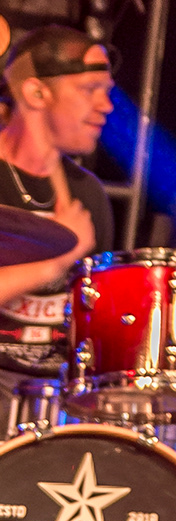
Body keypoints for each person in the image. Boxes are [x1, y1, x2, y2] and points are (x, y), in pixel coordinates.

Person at [0, 25, 115, 401]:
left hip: (58, 395)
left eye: (107, 92)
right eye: (90, 89)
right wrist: (56, 262)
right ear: (36, 92)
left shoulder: (88, 194)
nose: (106, 106)